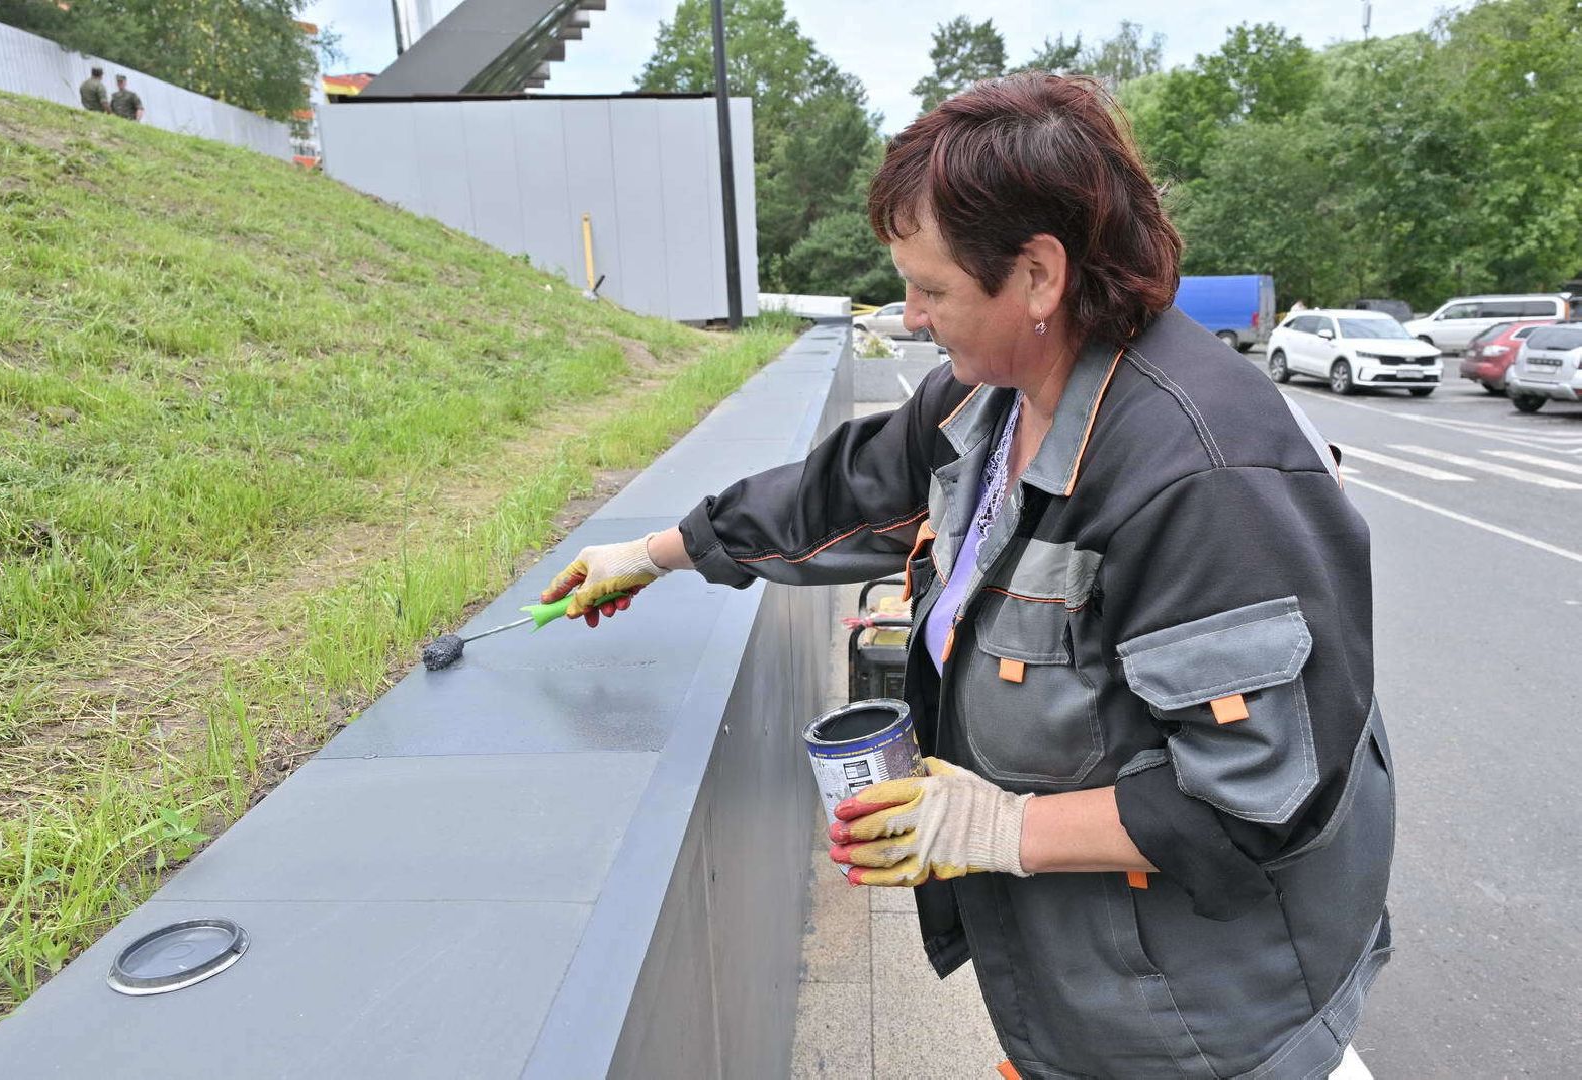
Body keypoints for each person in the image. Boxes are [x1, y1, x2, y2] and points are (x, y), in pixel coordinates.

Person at [543, 72, 1392, 1080]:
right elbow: (836, 493)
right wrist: (647, 554)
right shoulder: (986, 401)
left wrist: (992, 825)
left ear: (1037, 274)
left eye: (931, 288)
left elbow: (1255, 801)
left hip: (1204, 1015)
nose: (907, 318)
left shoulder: (1204, 480)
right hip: (1086, 981)